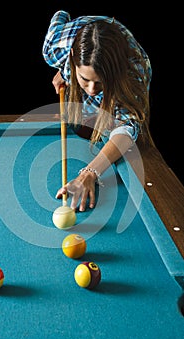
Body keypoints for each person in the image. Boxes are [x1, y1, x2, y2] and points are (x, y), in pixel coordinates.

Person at [42, 10, 152, 212]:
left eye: (99, 82)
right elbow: (61, 14)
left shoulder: (135, 72)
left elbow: (127, 129)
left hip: (119, 77)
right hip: (74, 48)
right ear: (72, 57)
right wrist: (64, 70)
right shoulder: (55, 48)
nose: (92, 90)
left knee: (113, 125)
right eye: (85, 79)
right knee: (77, 123)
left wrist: (90, 173)